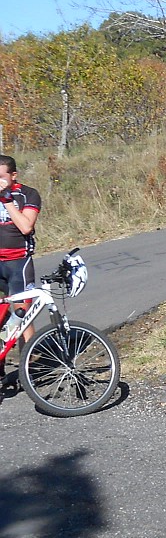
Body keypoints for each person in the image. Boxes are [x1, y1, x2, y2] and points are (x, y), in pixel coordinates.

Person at [0, 154, 42, 383]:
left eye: (0, 177)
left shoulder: (27, 194)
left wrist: (6, 199)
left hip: (18, 263)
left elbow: (26, 226)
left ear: (13, 176)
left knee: (21, 317)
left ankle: (30, 367)